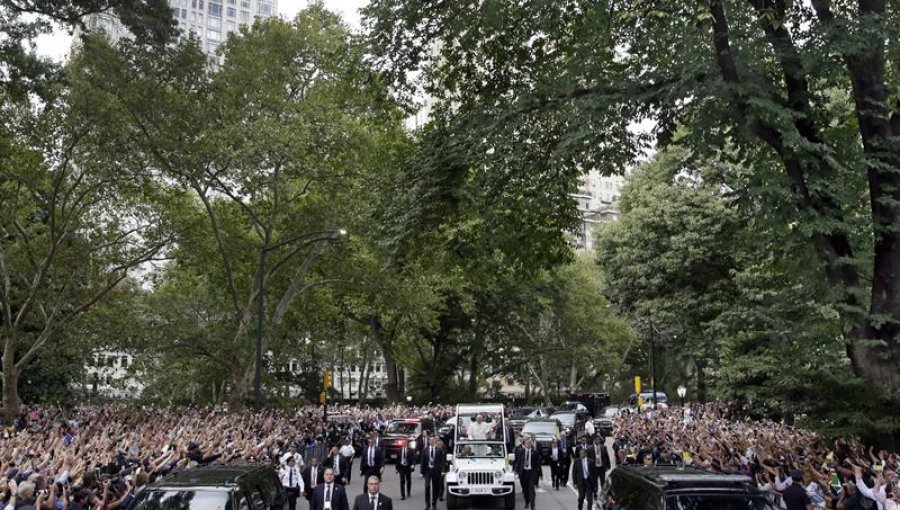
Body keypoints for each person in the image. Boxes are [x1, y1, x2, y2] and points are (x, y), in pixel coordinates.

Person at [421, 437, 445, 510]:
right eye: (430, 440)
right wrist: (421, 472)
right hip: (427, 470)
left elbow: (442, 461)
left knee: (435, 487)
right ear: (428, 441)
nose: (431, 441)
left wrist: (442, 470)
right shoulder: (425, 450)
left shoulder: (438, 450)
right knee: (427, 486)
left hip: (435, 471)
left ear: (434, 441)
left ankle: (434, 504)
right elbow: (422, 461)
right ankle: (427, 504)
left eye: (432, 440)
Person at [514, 437, 538, 510]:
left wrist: (540, 474)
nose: (528, 444)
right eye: (527, 443)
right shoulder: (521, 451)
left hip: (531, 473)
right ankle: (527, 501)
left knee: (531, 489)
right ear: (524, 444)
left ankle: (533, 505)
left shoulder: (534, 452)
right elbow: (518, 462)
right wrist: (515, 470)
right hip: (523, 473)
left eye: (530, 443)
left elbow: (538, 464)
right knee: (525, 489)